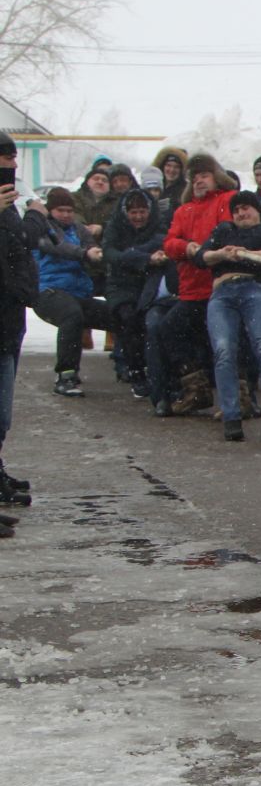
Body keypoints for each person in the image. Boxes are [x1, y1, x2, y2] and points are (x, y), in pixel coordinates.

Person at [195, 191, 261, 442]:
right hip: (223, 292)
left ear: (257, 210)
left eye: (246, 208)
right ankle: (232, 417)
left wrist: (247, 252)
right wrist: (223, 254)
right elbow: (201, 257)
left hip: (256, 288)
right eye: (236, 210)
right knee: (224, 350)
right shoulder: (223, 230)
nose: (241, 213)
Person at [24, 188, 115, 396]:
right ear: (49, 211)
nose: (65, 215)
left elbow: (93, 249)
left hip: (78, 294)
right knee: (71, 316)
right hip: (48, 292)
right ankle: (66, 375)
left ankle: (135, 370)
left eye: (69, 210)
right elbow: (59, 248)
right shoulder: (41, 230)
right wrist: (85, 253)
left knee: (120, 314)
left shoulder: (79, 230)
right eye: (60, 210)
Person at [100, 187, 170, 397]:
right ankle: (135, 371)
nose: (138, 217)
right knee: (127, 319)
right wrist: (144, 258)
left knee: (147, 323)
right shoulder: (114, 227)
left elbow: (159, 241)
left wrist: (129, 255)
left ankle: (148, 368)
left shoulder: (159, 224)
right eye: (133, 213)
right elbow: (110, 254)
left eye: (142, 212)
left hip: (148, 283)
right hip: (120, 285)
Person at [1, 132, 36, 506]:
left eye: (12, 156)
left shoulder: (11, 205)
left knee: (3, 411)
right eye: (4, 157)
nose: (11, 163)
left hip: (9, 313)